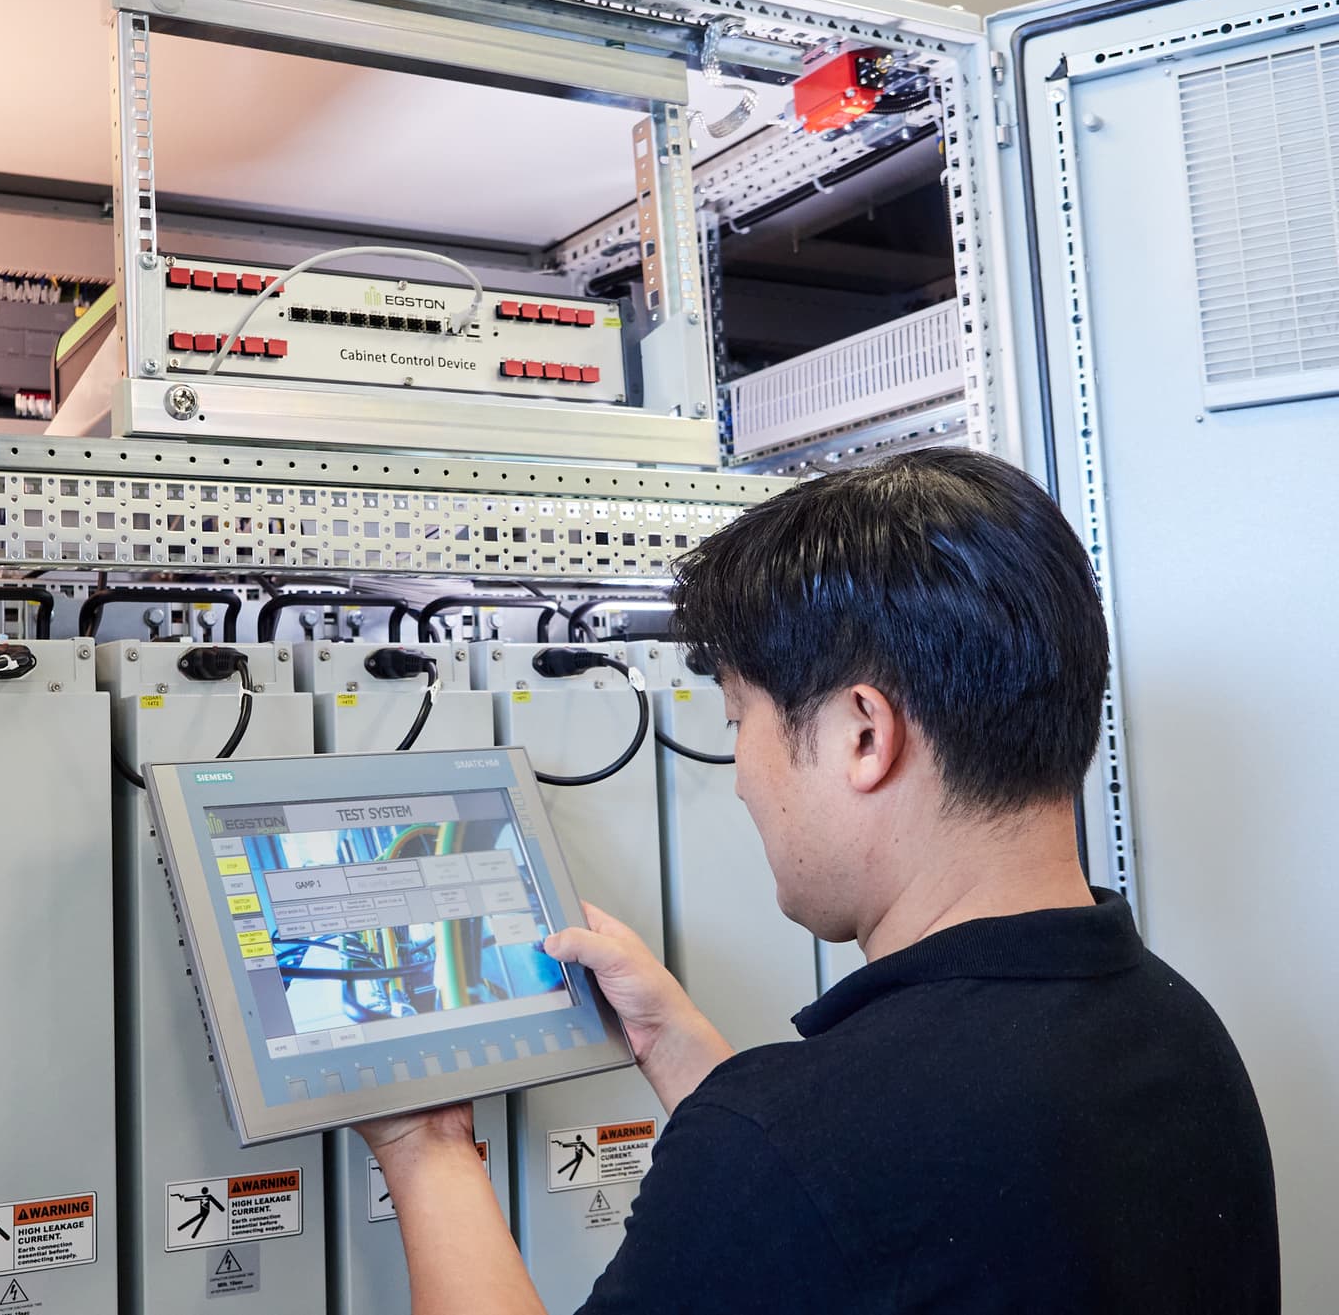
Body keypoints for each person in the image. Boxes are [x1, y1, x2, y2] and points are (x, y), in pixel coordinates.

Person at [357, 449, 1279, 1313]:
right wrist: (685, 1055)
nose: (743, 772)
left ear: (863, 734)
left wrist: (426, 1146)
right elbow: (869, 1223)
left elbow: (826, 1181)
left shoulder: (785, 1149)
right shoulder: (1181, 1036)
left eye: (737, 719)